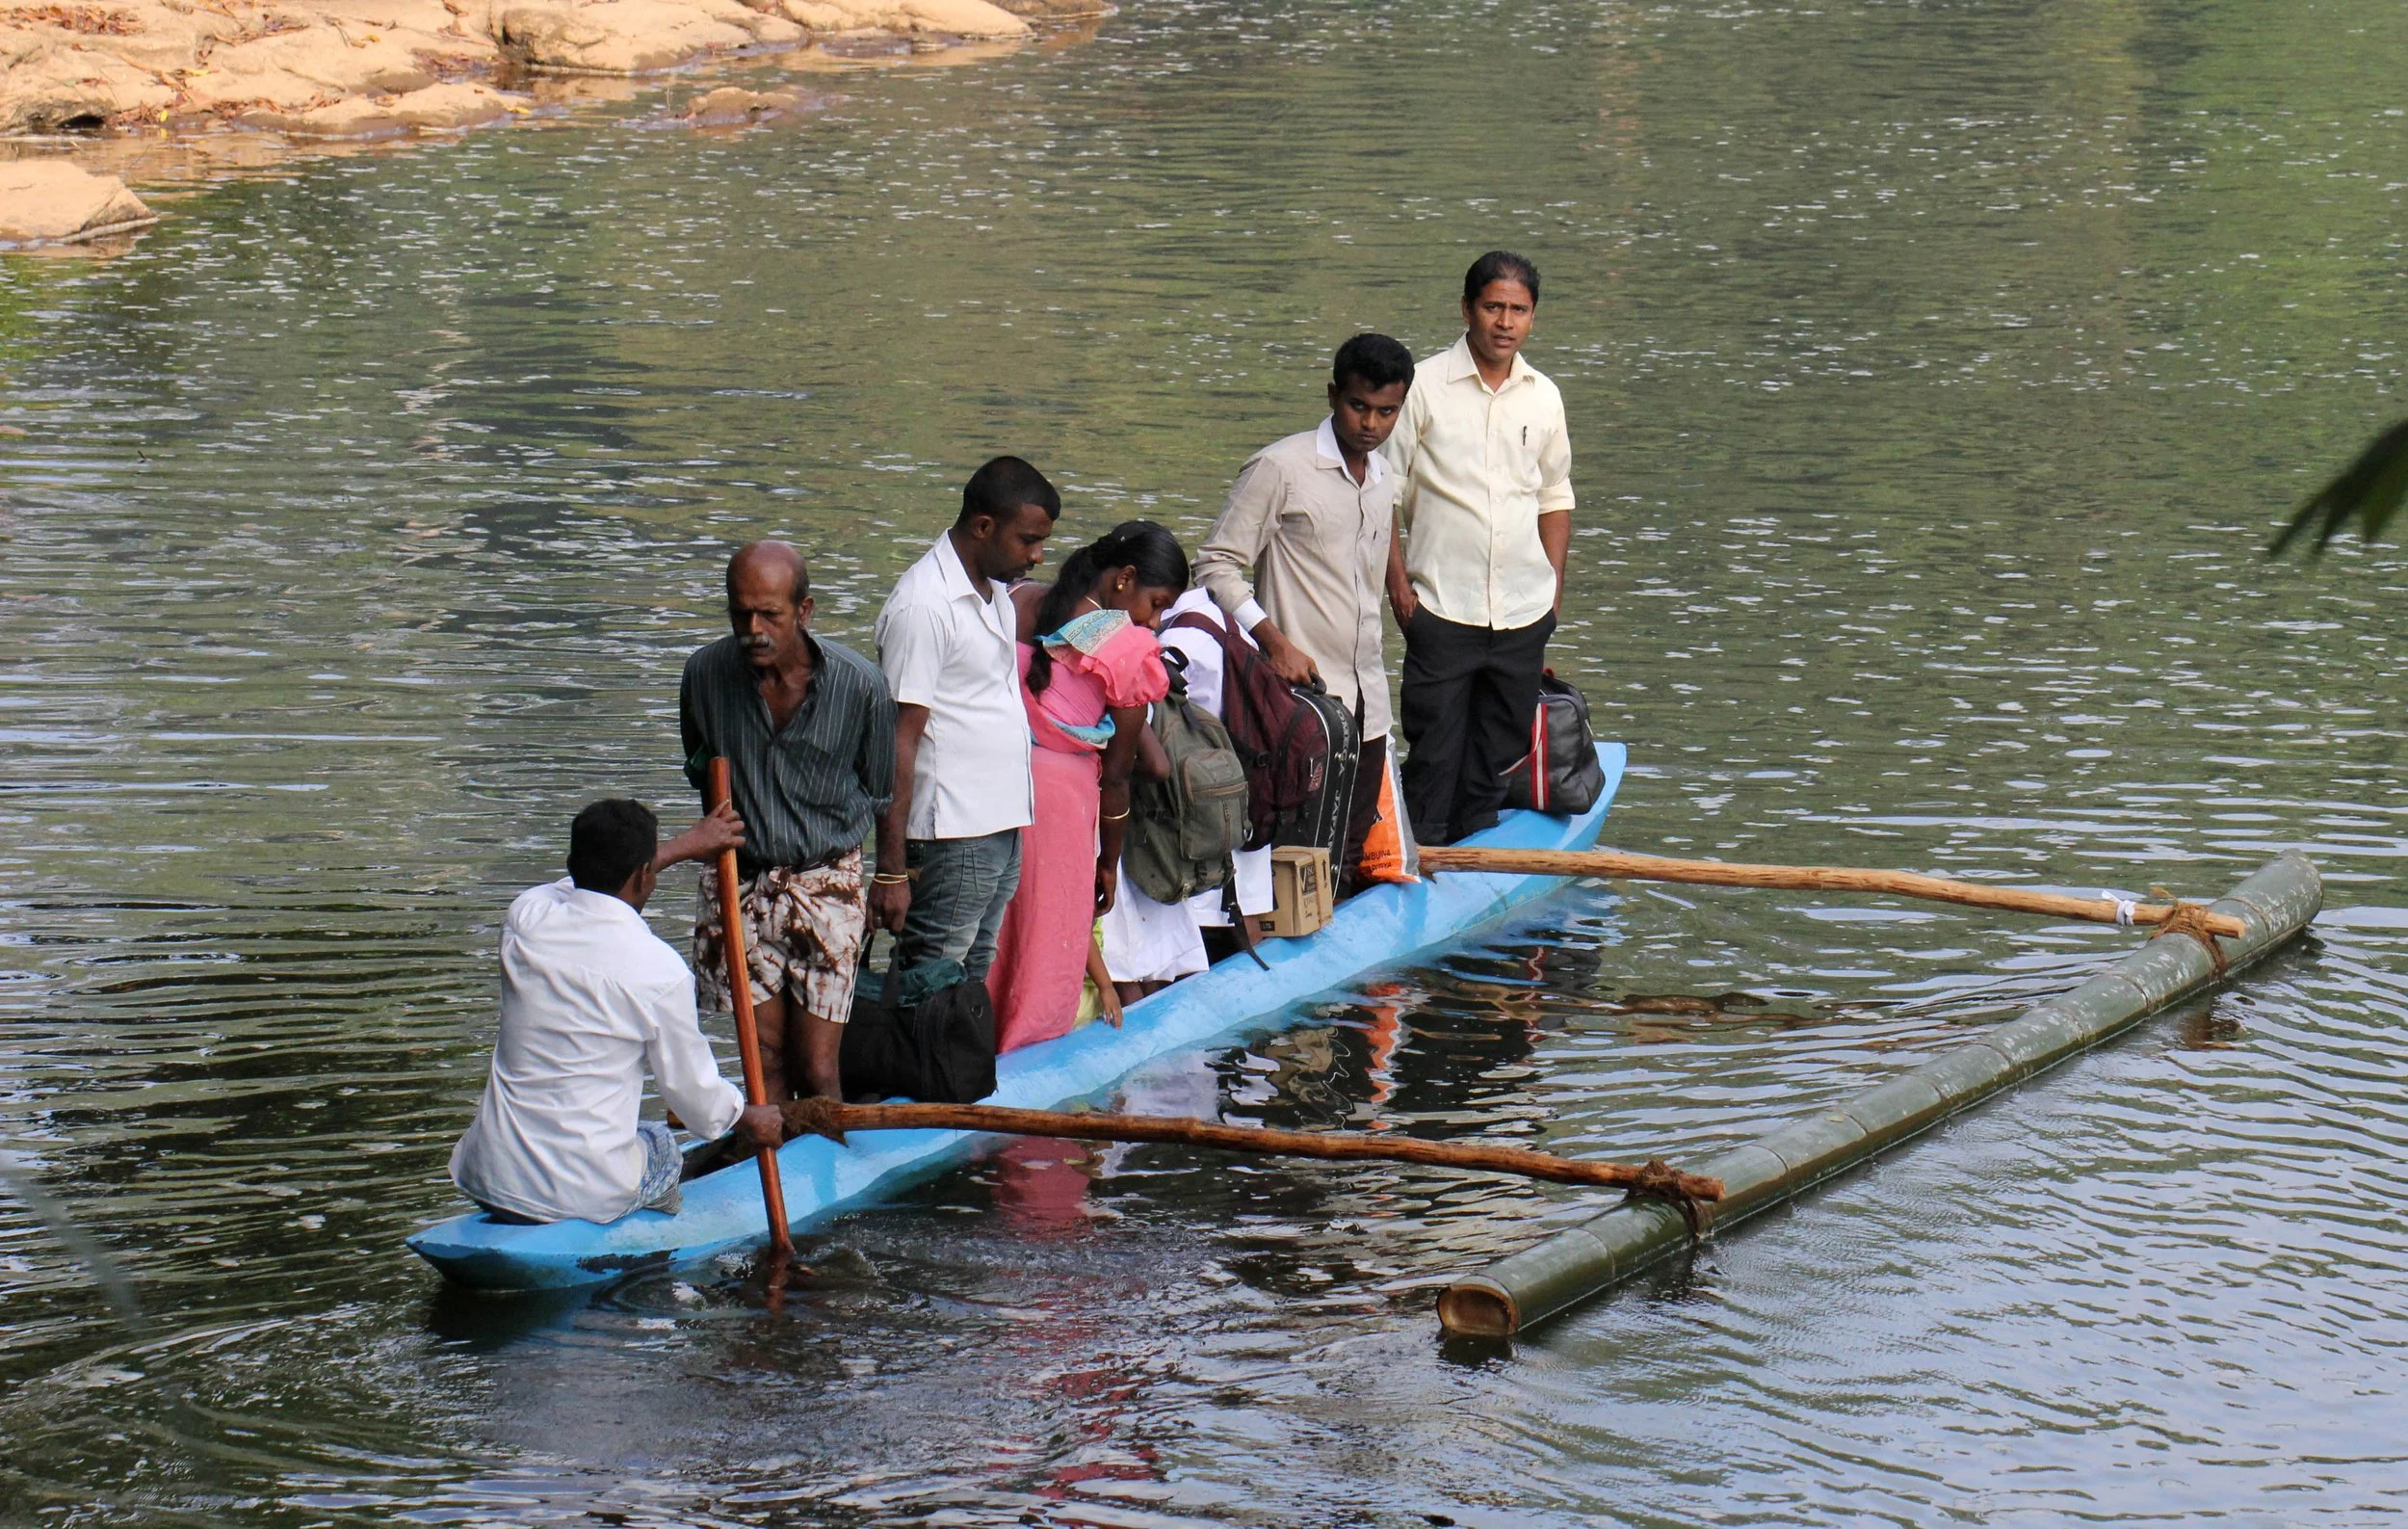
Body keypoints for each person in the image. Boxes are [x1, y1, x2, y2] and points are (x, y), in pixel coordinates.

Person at [449, 799, 784, 1226]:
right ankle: (657, 1239)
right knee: (661, 1144)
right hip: (581, 1196)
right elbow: (696, 1101)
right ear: (644, 874)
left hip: (488, 1175)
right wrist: (749, 1117)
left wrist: (681, 846)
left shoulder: (526, 918)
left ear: (571, 864)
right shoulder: (660, 972)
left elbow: (581, 885)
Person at [1194, 331, 1415, 892]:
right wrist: (1274, 642)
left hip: (1368, 701)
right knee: (1292, 855)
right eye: (1358, 406)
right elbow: (1216, 565)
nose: (1370, 423)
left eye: (1386, 412)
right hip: (1297, 705)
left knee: (1349, 850)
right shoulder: (1281, 467)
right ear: (1333, 395)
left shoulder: (1384, 477)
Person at [682, 540, 896, 1102]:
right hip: (743, 878)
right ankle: (769, 1151)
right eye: (741, 614)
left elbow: (883, 791)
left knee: (818, 1068)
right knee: (765, 1062)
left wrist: (893, 875)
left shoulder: (859, 684)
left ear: (804, 611)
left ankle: (825, 1145)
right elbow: (701, 771)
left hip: (826, 880)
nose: (753, 630)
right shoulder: (705, 675)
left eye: (769, 615)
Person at [1382, 250, 1575, 845]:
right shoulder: (1423, 387)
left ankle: (1477, 848)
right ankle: (1421, 854)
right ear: (1466, 309)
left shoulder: (1543, 396)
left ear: (1533, 316)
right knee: (1434, 744)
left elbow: (1554, 496)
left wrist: (1553, 589)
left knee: (1501, 744)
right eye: (1493, 307)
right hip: (1440, 603)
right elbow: (1381, 492)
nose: (1505, 322)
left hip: (1523, 606)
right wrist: (1398, 589)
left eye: (1519, 310)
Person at [984, 520, 1186, 1051]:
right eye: (1156, 604)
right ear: (1124, 578)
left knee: (995, 929)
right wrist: (1108, 863)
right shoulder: (1126, 648)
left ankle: (977, 1041)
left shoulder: (1017, 600)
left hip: (991, 785)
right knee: (1046, 933)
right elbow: (1117, 776)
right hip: (1059, 806)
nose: (1155, 622)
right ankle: (1028, 1047)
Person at [872, 457, 1060, 987]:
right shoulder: (924, 606)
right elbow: (899, 740)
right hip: (952, 829)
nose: (1037, 556)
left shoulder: (995, 592)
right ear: (983, 526)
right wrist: (889, 869)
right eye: (1028, 540)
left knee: (973, 972)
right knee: (932, 977)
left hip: (999, 820)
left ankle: (962, 1048)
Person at [1098, 585, 1276, 1001]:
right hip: (1220, 791)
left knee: (1126, 949)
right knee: (1163, 953)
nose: (1154, 621)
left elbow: (1156, 764)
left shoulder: (1164, 640)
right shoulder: (1233, 625)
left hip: (1147, 817)